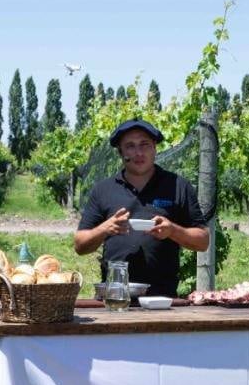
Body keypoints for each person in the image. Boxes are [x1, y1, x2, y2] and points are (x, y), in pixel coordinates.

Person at [74, 119, 209, 296]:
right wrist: (104, 229)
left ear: (155, 148)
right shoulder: (103, 190)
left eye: (144, 144)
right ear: (121, 152)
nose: (138, 152)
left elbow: (203, 241)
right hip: (114, 298)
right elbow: (79, 245)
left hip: (162, 300)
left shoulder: (178, 186)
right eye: (130, 146)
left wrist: (172, 230)